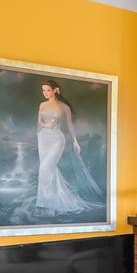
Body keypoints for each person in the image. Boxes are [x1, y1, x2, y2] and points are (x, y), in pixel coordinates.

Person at [35, 79, 90, 216]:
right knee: (48, 170)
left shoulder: (64, 107)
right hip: (43, 139)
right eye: (43, 90)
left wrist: (75, 141)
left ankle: (48, 200)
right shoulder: (42, 105)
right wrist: (45, 127)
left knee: (45, 168)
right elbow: (39, 122)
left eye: (48, 90)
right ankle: (47, 202)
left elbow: (70, 125)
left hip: (57, 140)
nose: (45, 93)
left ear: (55, 90)